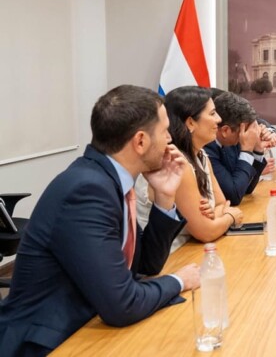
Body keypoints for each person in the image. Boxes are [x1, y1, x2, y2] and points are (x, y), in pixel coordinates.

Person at [0, 85, 201, 354]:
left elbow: (147, 264)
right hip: (49, 343)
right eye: (165, 131)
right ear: (140, 141)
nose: (170, 140)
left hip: (89, 325)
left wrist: (165, 196)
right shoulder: (86, 190)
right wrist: (179, 280)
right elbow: (122, 305)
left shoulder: (108, 180)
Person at [140, 86, 243, 251]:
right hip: (169, 258)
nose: (218, 119)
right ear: (190, 122)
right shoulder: (174, 163)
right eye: (212, 114)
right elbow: (206, 233)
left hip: (191, 250)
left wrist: (214, 216)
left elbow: (222, 202)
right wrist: (230, 216)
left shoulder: (200, 154)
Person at [205, 91, 276, 206]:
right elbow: (233, 196)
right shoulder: (207, 148)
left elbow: (246, 188)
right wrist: (247, 150)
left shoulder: (231, 140)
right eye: (245, 131)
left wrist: (257, 150)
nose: (248, 135)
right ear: (225, 131)